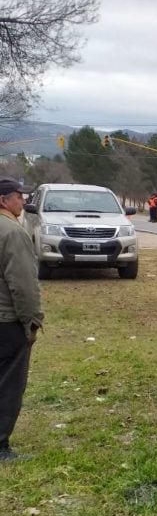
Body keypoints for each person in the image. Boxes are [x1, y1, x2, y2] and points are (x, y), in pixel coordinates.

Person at [0, 177, 44, 461]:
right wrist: (31, 321)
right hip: (7, 321)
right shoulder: (13, 232)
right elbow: (23, 283)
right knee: (9, 383)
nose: (23, 201)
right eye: (19, 196)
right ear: (4, 200)